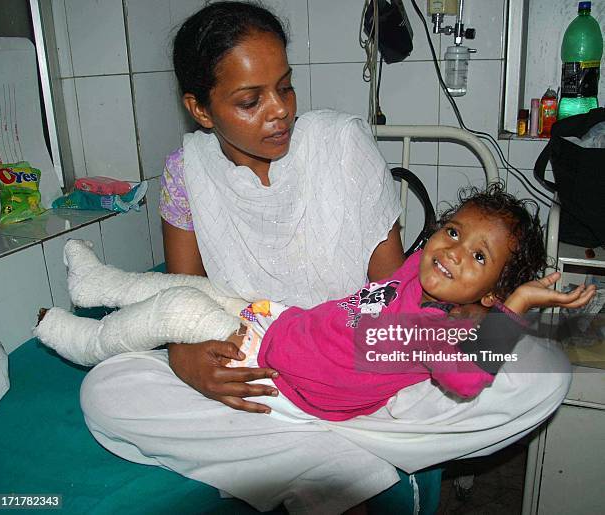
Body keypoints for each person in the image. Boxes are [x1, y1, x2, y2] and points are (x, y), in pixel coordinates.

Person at [75, 2, 578, 513]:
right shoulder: (188, 174)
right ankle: (340, 465)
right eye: (251, 100)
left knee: (544, 371)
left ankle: (305, 453)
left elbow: (392, 286)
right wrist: (186, 359)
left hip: (369, 371)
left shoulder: (342, 142)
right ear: (201, 109)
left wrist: (462, 323)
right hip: (260, 367)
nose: (279, 111)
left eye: (286, 87)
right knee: (107, 389)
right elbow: (180, 294)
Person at [35, 185, 595, 423]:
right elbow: (415, 249)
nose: (451, 253)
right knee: (198, 288)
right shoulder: (414, 278)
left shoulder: (429, 332)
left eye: (478, 258)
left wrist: (516, 304)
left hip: (279, 368)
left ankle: (86, 342)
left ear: (490, 293)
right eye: (452, 232)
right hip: (279, 320)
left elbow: (470, 381)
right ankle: (98, 285)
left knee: (178, 306)